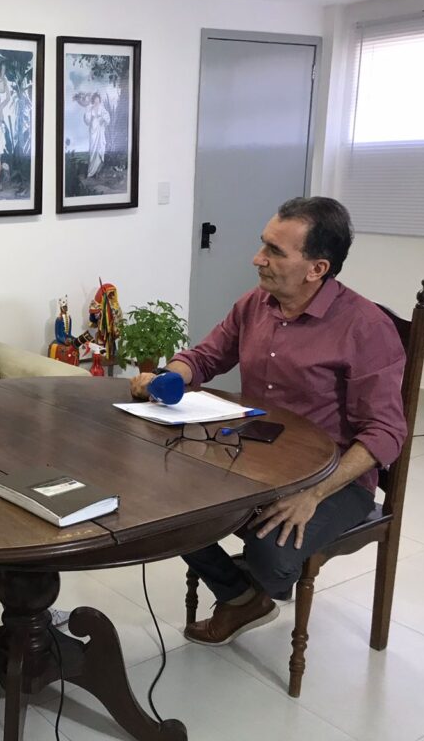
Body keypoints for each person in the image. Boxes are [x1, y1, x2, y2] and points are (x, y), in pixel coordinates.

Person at [130, 197, 407, 646]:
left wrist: (314, 494)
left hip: (334, 477)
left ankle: (258, 578)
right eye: (263, 245)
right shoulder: (255, 304)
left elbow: (386, 432)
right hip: (256, 453)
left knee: (273, 556)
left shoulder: (365, 327)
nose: (257, 259)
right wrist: (168, 378)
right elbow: (206, 355)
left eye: (275, 251)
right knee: (163, 504)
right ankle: (242, 596)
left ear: (317, 268)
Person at [82, 92, 110, 178]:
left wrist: (102, 119)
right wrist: (89, 116)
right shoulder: (90, 108)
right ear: (93, 99)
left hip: (100, 130)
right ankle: (91, 172)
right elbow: (86, 119)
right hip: (93, 130)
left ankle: (97, 172)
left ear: (99, 100)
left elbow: (107, 116)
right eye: (95, 99)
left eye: (98, 99)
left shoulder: (102, 108)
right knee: (93, 149)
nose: (97, 100)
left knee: (101, 147)